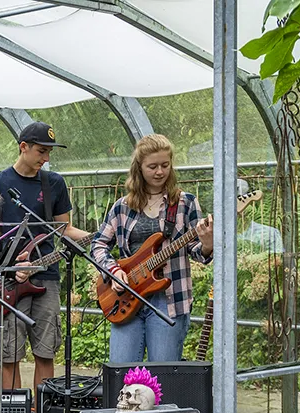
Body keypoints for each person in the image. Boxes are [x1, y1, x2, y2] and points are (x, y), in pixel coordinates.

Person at [91, 133, 213, 362]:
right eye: (153, 166)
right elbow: (98, 244)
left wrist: (207, 244)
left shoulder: (185, 203)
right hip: (126, 297)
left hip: (170, 300)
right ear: (139, 168)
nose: (160, 172)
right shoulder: (122, 207)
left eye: (165, 165)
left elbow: (197, 252)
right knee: (121, 371)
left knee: (163, 374)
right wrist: (113, 272)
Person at [0, 122, 91, 394]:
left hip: (46, 275)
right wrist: (9, 265)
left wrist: (99, 236)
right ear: (23, 147)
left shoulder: (54, 182)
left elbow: (64, 228)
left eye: (49, 153)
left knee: (46, 350)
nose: (46, 159)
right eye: (41, 151)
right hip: (8, 281)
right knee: (9, 352)